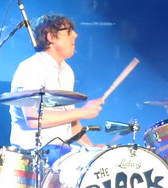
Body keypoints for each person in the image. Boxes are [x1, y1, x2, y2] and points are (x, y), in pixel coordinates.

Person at [8, 13, 105, 150]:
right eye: (68, 31)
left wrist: (92, 148)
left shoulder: (67, 71)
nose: (75, 35)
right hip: (33, 153)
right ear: (51, 37)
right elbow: (33, 119)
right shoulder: (31, 67)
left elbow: (70, 121)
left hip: (60, 150)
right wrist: (81, 112)